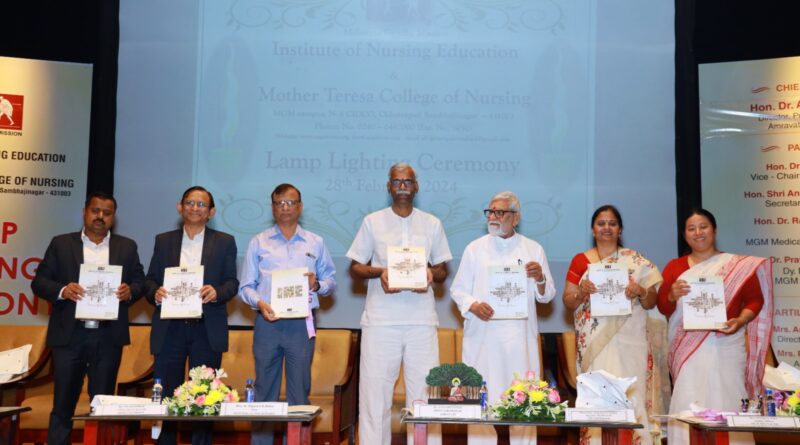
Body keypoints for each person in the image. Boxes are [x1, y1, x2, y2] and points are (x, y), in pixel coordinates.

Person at [348, 162, 452, 445]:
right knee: (374, 396)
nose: (402, 186)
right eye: (397, 182)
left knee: (425, 397)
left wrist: (432, 273)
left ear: (416, 186)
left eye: (408, 181)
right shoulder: (372, 221)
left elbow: (443, 270)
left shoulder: (432, 223)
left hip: (421, 322)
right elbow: (355, 266)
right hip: (381, 321)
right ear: (388, 187)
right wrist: (379, 271)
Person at [31, 192, 145, 445]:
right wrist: (62, 290)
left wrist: (130, 291)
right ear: (84, 212)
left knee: (102, 405)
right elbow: (39, 283)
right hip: (70, 335)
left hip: (108, 336)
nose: (100, 217)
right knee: (63, 404)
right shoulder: (61, 244)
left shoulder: (127, 247)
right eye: (95, 211)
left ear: (113, 218)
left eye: (107, 213)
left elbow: (140, 281)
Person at [656, 208, 773, 445]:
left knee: (728, 400)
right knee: (689, 403)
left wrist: (740, 321)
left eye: (704, 227)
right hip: (687, 350)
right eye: (691, 228)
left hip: (727, 345)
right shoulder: (674, 267)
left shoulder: (736, 265)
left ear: (714, 230)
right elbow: (662, 307)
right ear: (684, 235)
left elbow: (755, 300)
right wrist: (670, 295)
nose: (698, 233)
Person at [450, 191, 556, 445]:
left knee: (525, 407)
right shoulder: (474, 249)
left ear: (516, 217)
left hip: (520, 342)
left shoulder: (533, 249)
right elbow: (457, 290)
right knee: (481, 410)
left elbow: (547, 296)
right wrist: (473, 304)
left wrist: (540, 277)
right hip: (484, 341)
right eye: (491, 212)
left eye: (500, 212)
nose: (494, 217)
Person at [239, 183, 336, 445]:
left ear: (300, 207)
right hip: (267, 323)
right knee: (264, 391)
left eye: (290, 203)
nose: (285, 208)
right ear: (272, 208)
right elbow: (245, 286)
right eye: (279, 203)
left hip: (301, 326)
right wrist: (260, 303)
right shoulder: (258, 242)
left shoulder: (316, 242)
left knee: (299, 391)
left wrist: (317, 284)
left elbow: (331, 282)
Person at [562, 205, 667, 445]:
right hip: (594, 346)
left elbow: (652, 302)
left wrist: (640, 290)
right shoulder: (581, 260)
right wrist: (581, 291)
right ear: (593, 229)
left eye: (612, 223)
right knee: (597, 399)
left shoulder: (636, 261)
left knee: (633, 397)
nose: (606, 228)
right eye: (601, 223)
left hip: (631, 342)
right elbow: (568, 302)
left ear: (620, 230)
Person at [145, 186, 239, 445]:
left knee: (204, 398)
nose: (195, 208)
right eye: (190, 202)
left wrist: (217, 291)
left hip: (205, 327)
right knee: (166, 399)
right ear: (180, 207)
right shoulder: (163, 240)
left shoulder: (224, 242)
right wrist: (156, 292)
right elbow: (150, 280)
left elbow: (232, 282)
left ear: (211, 212)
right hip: (170, 328)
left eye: (201, 204)